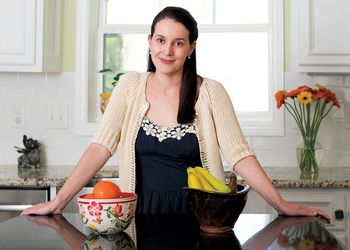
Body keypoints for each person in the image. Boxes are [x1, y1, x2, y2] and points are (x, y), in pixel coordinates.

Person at [21, 6, 330, 219]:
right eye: (160, 40)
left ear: (191, 47)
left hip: (198, 217)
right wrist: (59, 202)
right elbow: (100, 147)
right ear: (149, 42)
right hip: (139, 215)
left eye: (178, 43)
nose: (167, 51)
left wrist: (280, 204)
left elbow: (240, 155)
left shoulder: (210, 92)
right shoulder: (129, 88)